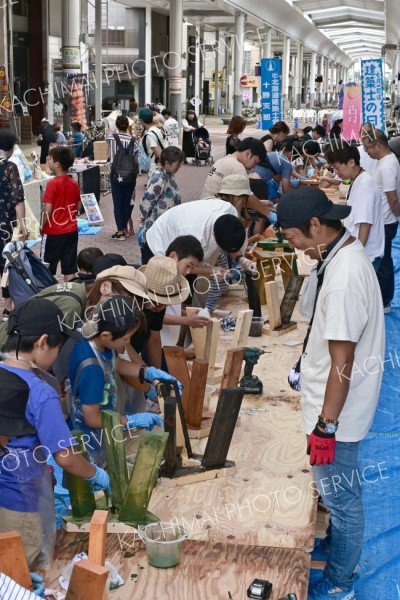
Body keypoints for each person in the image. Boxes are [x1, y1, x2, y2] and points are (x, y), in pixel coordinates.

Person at [276, 187, 384, 600]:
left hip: (338, 414)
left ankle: (340, 582)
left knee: (342, 502)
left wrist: (326, 426)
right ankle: (337, 552)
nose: (295, 247)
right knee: (338, 496)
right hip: (335, 407)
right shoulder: (342, 255)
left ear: (316, 226)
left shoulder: (342, 279)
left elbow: (343, 361)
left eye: (293, 238)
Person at [0, 298, 110, 565]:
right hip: (22, 502)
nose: (57, 355)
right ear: (42, 341)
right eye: (58, 348)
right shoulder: (41, 394)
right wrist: (96, 474)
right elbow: (66, 457)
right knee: (22, 572)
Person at [69, 295, 164, 466]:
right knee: (100, 475)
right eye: (126, 339)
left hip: (109, 429)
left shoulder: (100, 343)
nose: (127, 343)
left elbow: (115, 363)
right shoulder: (92, 369)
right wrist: (132, 421)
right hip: (91, 442)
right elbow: (92, 419)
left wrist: (148, 372)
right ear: (106, 335)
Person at [325, 144, 384, 270]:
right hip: (359, 251)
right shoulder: (357, 179)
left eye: (337, 167)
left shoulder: (365, 185)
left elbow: (365, 223)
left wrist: (357, 254)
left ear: (351, 162)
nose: (336, 172)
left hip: (366, 256)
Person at [361, 127, 400, 312]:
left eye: (367, 148)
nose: (366, 152)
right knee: (381, 259)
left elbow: (392, 197)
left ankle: (384, 301)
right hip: (383, 220)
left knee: (383, 261)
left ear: (378, 145)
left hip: (385, 221)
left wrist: (396, 215)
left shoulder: (387, 165)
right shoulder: (384, 161)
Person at [202, 137, 273, 220]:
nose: (254, 167)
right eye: (255, 162)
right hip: (219, 215)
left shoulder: (221, 160)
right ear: (248, 154)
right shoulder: (238, 168)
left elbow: (236, 197)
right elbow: (248, 197)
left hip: (206, 209)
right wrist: (269, 214)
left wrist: (259, 203)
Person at [161, 236, 209, 349]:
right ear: (173, 257)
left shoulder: (176, 279)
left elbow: (172, 309)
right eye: (188, 266)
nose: (188, 272)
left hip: (168, 346)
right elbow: (156, 316)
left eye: (191, 268)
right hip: (159, 347)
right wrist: (186, 320)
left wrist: (188, 313)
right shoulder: (159, 281)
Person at [0, 130, 29, 321]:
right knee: (7, 263)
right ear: (10, 149)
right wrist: (23, 225)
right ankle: (8, 306)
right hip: (5, 223)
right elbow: (18, 199)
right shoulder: (9, 167)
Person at [40, 146, 80, 281]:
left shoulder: (52, 184)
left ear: (57, 164)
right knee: (69, 267)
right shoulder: (73, 182)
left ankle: (48, 295)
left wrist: (41, 225)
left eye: (49, 159)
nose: (48, 161)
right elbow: (78, 205)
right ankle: (71, 294)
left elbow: (47, 209)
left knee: (46, 268)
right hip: (71, 230)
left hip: (53, 231)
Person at [139, 147, 185, 264]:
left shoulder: (169, 174)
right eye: (177, 164)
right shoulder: (160, 177)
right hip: (155, 225)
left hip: (164, 225)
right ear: (166, 163)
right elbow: (147, 200)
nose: (180, 166)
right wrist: (144, 217)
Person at [109, 115, 139, 241]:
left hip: (116, 175)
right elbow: (136, 161)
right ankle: (125, 229)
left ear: (116, 125)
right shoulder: (134, 140)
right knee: (127, 202)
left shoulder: (111, 139)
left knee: (117, 203)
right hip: (130, 176)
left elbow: (110, 158)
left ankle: (120, 230)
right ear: (128, 125)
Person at [138, 108, 166, 172]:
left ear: (141, 120)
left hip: (155, 166)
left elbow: (157, 153)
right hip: (160, 165)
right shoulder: (158, 130)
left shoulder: (149, 135)